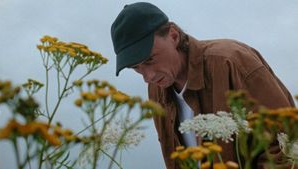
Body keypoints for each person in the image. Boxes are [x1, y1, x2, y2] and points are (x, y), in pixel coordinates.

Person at [110, 2, 295, 169]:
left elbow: (286, 145)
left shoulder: (232, 62)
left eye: (150, 59)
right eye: (136, 68)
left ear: (173, 35)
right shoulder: (156, 88)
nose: (147, 76)